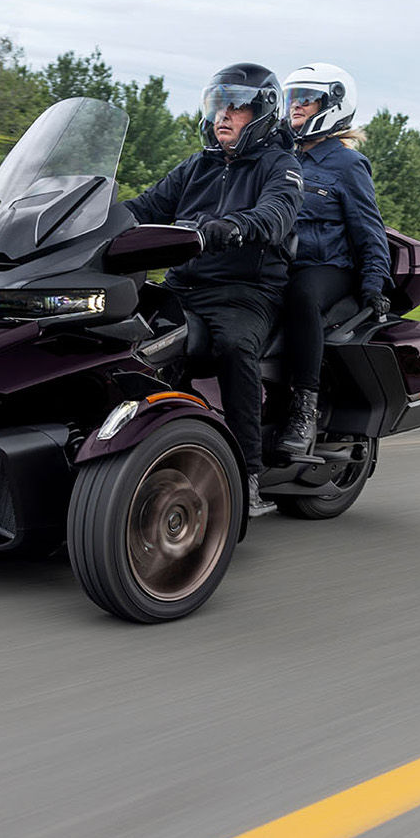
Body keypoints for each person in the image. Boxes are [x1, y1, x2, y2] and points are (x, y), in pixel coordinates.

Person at [124, 63, 303, 517]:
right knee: (129, 336)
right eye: (219, 105)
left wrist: (231, 228)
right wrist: (84, 220)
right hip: (184, 285)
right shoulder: (196, 166)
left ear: (261, 114)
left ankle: (246, 476)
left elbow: (276, 215)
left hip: (245, 291)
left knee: (234, 346)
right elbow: (142, 207)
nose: (223, 115)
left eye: (236, 107)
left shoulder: (281, 165)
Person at [274, 62, 392, 461]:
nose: (296, 108)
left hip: (329, 267)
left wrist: (375, 283)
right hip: (281, 263)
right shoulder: (280, 157)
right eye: (292, 100)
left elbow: (369, 228)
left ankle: (303, 408)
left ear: (333, 105)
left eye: (306, 100)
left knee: (301, 295)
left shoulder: (346, 164)